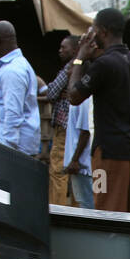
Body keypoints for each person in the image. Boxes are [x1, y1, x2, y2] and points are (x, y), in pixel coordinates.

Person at [66, 8, 130, 213]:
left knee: (106, 213)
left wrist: (80, 58)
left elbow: (73, 96)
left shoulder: (103, 64)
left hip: (109, 156)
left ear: (102, 31)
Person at [0, 20, 40, 155]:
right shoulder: (18, 65)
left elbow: (13, 113)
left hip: (11, 149)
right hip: (14, 147)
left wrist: (8, 151)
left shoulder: (13, 70)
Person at [38, 34, 79, 204]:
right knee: (79, 172)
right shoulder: (85, 67)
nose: (60, 51)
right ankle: (80, 211)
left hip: (63, 127)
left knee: (58, 170)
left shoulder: (69, 68)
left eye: (64, 47)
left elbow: (52, 92)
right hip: (78, 128)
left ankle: (57, 209)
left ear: (75, 50)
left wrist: (55, 90)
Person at [64, 92, 93, 209]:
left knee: (88, 205)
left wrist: (75, 160)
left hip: (84, 166)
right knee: (87, 203)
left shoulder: (85, 99)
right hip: (86, 165)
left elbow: (85, 132)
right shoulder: (82, 98)